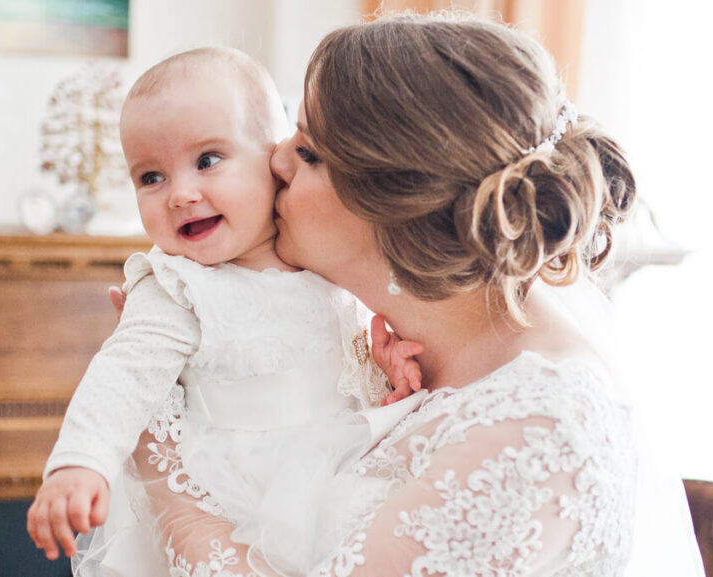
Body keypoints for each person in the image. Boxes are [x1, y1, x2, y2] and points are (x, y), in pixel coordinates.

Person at [122, 11, 706, 577]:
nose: (273, 160)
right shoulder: (395, 349)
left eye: (307, 152)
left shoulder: (540, 426)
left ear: (398, 203)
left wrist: (159, 451)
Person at [25, 47, 424, 575]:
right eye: (151, 177)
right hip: (232, 501)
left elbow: (346, 352)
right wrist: (79, 464)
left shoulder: (325, 257)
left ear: (275, 158)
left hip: (341, 480)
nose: (180, 194)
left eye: (207, 161)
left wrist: (384, 372)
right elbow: (121, 376)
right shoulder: (176, 283)